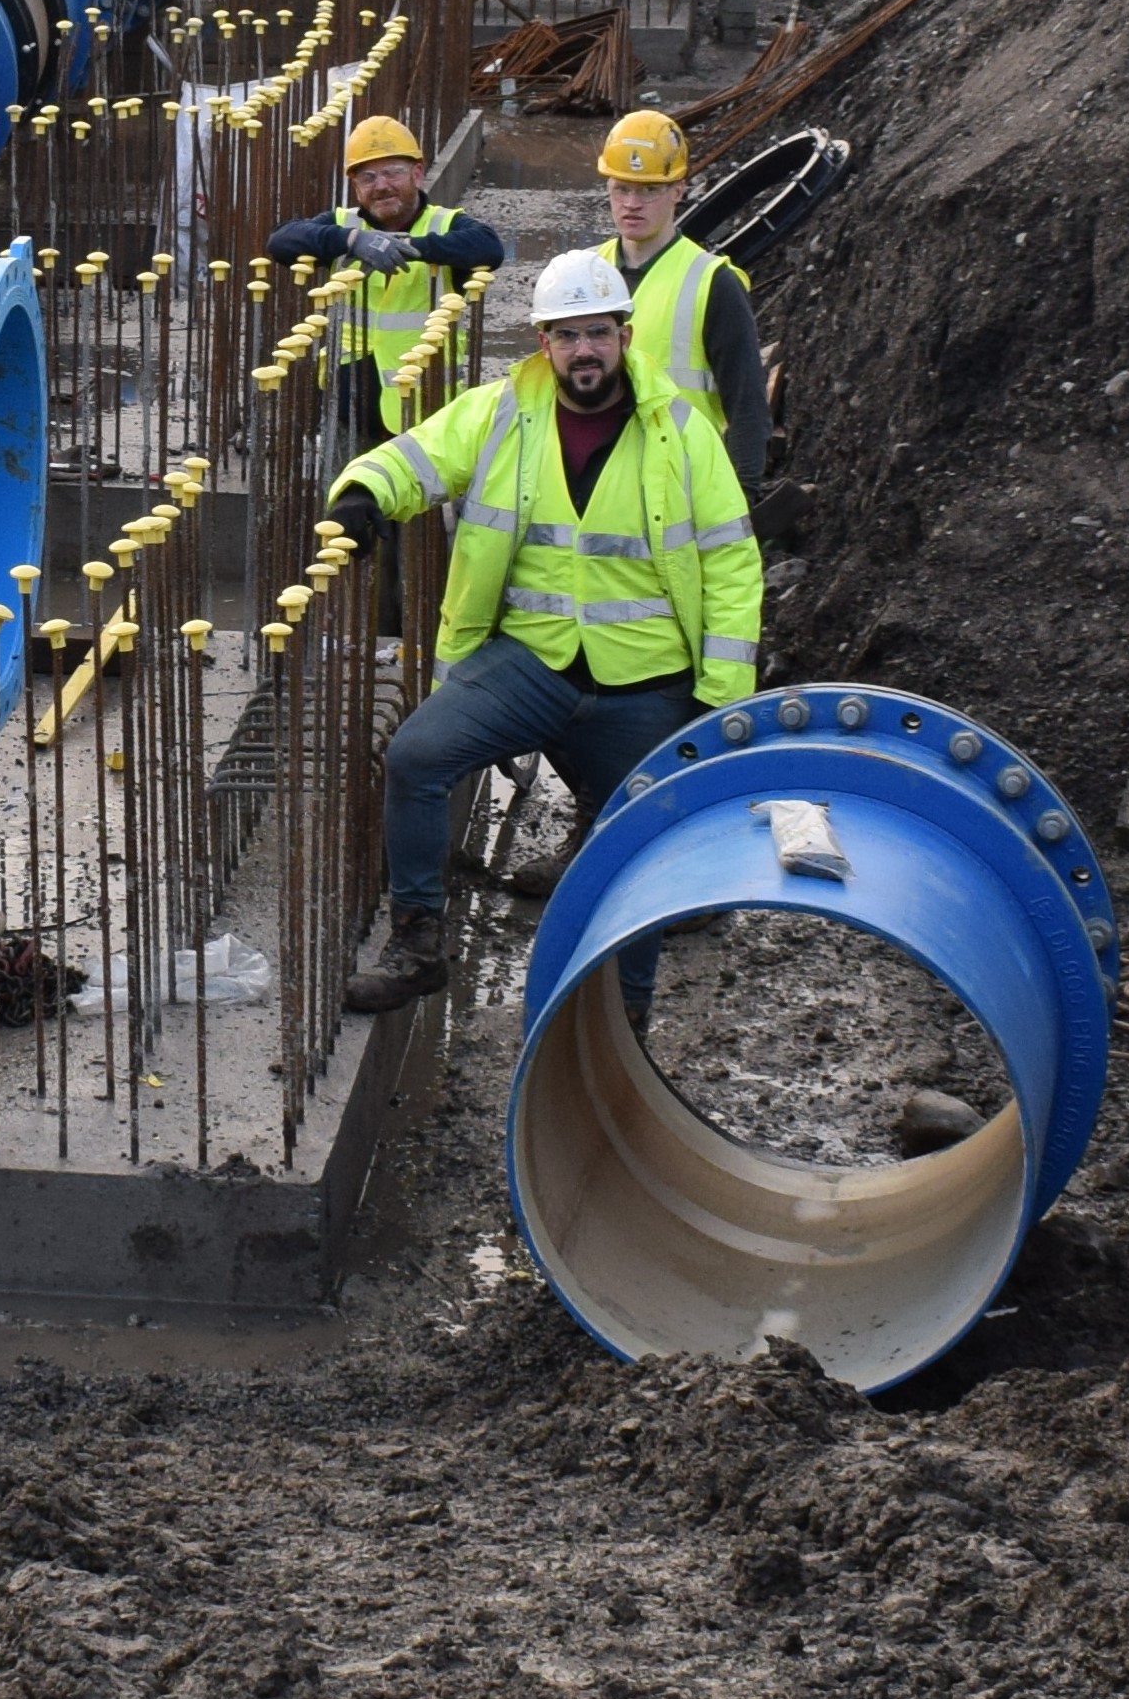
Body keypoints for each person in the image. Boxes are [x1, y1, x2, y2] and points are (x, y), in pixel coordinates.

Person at [320, 249, 761, 1020]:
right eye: (565, 335)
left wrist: (716, 702)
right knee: (416, 757)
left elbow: (731, 564)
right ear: (542, 344)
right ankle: (417, 940)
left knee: (639, 844)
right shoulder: (502, 412)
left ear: (624, 337)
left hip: (645, 683)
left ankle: (620, 1025)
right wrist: (362, 493)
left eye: (596, 332)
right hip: (532, 662)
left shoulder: (679, 431)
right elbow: (416, 455)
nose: (582, 350)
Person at [266, 113, 507, 447]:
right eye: (368, 177)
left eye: (393, 172)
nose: (381, 186)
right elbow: (281, 241)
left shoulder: (445, 225)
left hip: (425, 412)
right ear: (356, 186)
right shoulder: (342, 224)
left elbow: (490, 249)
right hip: (348, 413)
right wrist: (353, 241)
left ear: (417, 174)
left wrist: (412, 248)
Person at [593, 109, 769, 496]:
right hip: (601, 486)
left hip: (682, 489)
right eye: (622, 188)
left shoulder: (712, 283)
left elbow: (747, 404)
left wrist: (743, 497)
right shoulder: (587, 273)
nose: (632, 203)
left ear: (678, 190)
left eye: (649, 190)